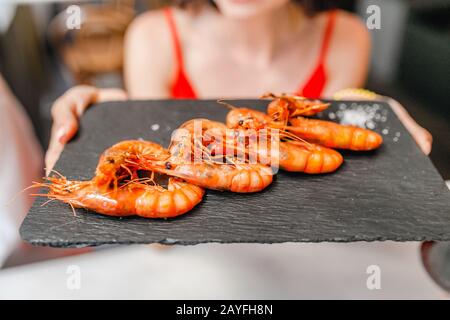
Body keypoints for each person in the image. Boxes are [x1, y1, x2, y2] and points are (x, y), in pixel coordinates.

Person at [45, 0, 432, 172]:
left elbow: (328, 192)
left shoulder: (347, 38)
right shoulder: (152, 38)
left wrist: (366, 109)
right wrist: (108, 125)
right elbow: (159, 240)